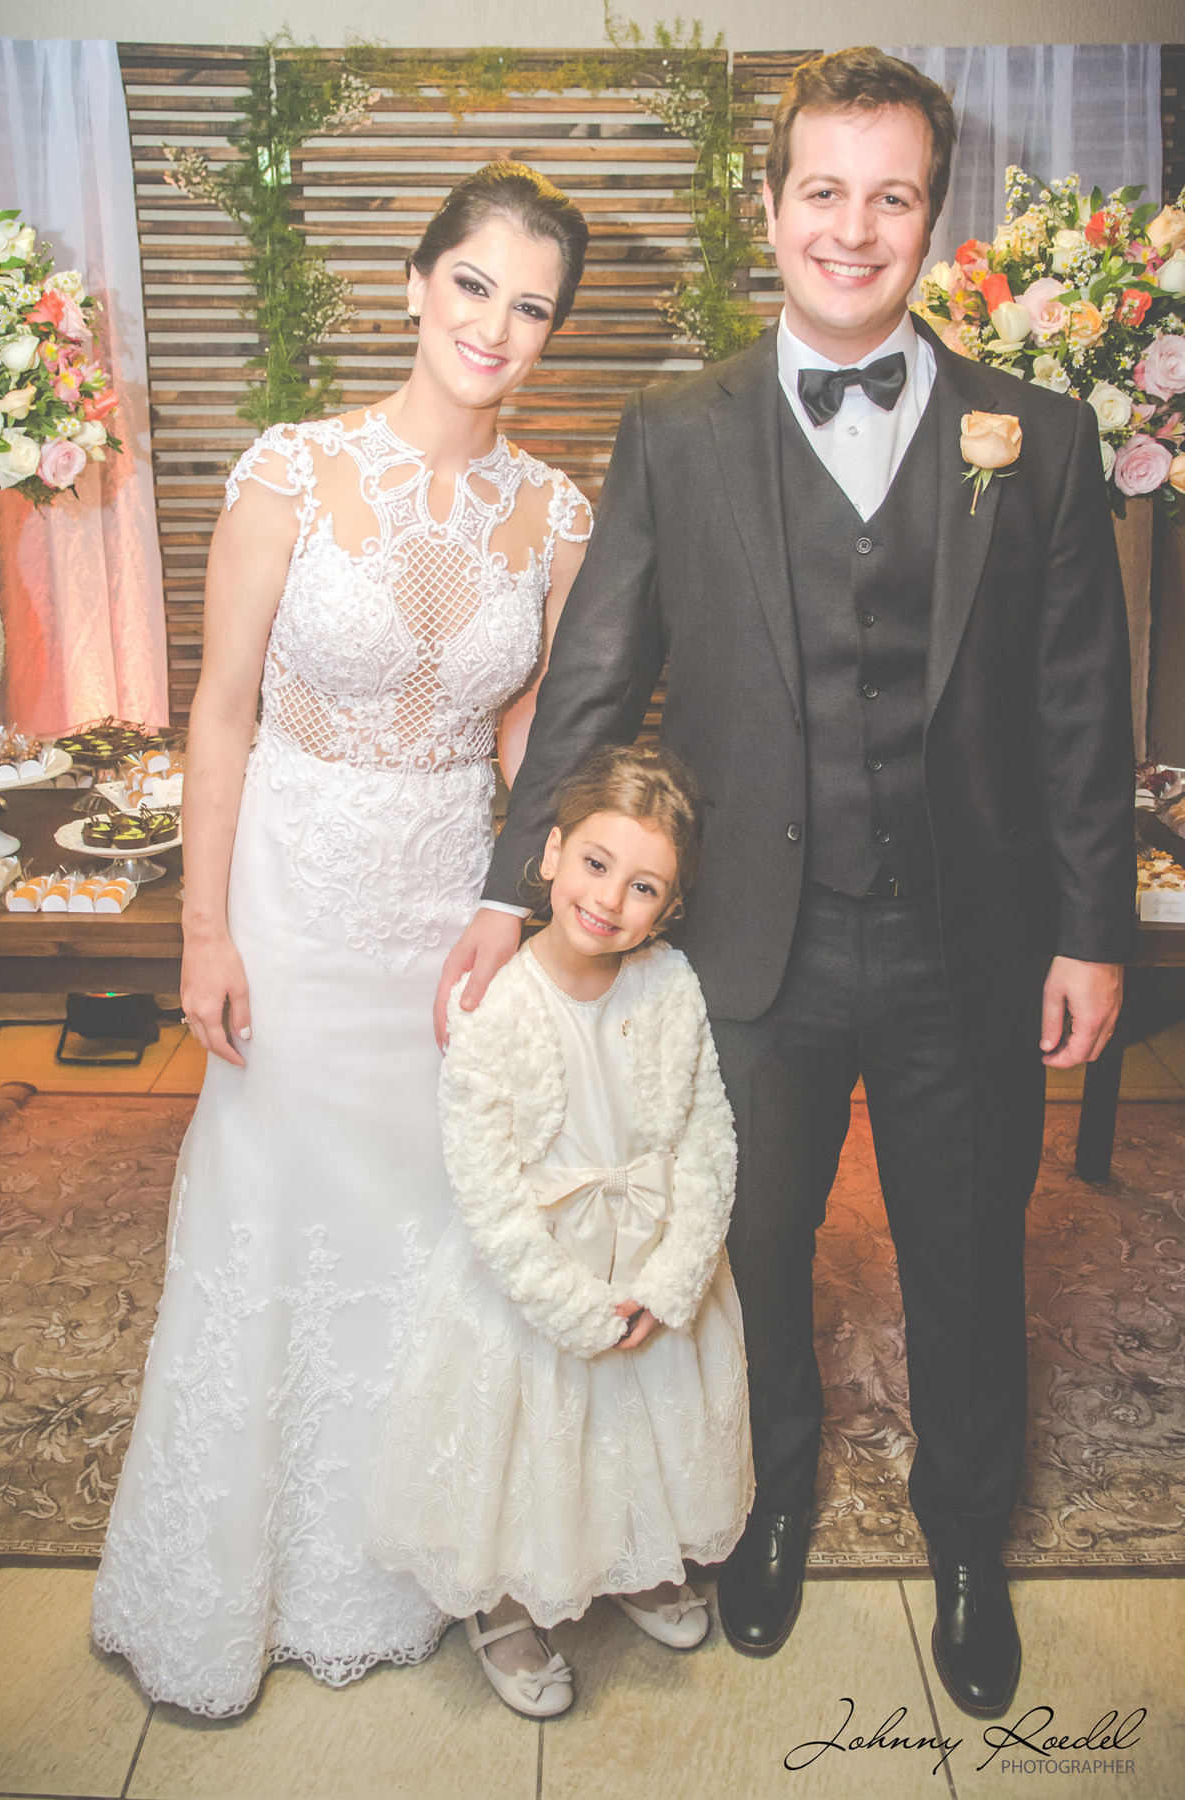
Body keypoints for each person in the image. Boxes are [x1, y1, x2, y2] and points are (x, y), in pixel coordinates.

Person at [435, 50, 1133, 1720]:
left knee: (967, 1251)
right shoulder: (677, 434)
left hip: (973, 942)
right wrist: (507, 893)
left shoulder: (1038, 439)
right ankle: (766, 1508)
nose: (853, 228)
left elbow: (1081, 707)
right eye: (823, 190)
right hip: (748, 948)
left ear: (932, 217)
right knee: (747, 1245)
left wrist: (1094, 930)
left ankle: (966, 1544)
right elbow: (595, 680)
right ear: (772, 208)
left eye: (891, 195)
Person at [90, 162, 593, 1718]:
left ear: (552, 332)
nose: (495, 327)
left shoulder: (559, 514)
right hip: (293, 903)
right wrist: (204, 933)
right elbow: (220, 714)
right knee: (280, 1218)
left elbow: (534, 746)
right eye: (473, 285)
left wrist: (550, 919)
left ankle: (458, 1567)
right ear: (416, 283)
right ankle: (239, 1582)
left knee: (455, 1234)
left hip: (451, 912)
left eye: (531, 307)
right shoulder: (289, 474)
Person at [372, 744, 752, 1716]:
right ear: (548, 855)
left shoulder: (670, 984)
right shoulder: (497, 1005)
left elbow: (708, 1138)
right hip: (536, 1284)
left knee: (633, 1429)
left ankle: (632, 1559)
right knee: (531, 1446)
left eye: (643, 886)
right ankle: (501, 1603)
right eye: (594, 863)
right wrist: (570, 1305)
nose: (610, 898)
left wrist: (673, 1277)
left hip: (648, 1264)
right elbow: (488, 1193)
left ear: (668, 908)